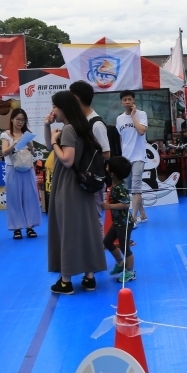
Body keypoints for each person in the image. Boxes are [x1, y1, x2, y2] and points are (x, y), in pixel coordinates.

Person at [48, 91, 106, 294]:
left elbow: (66, 159)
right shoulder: (82, 128)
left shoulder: (69, 130)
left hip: (68, 186)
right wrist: (49, 129)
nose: (53, 110)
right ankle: (89, 277)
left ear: (63, 108)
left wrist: (55, 141)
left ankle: (65, 281)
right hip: (84, 187)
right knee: (87, 229)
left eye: (55, 106)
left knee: (68, 231)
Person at [69, 81, 111, 224]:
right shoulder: (82, 121)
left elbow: (106, 153)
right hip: (84, 179)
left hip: (93, 179)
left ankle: (98, 246)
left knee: (94, 219)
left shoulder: (96, 124)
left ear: (75, 98)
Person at [0, 108, 42, 239]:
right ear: (12, 119)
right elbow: (4, 152)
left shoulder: (27, 134)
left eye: (23, 120)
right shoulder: (5, 135)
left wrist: (31, 148)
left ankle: (30, 226)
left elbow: (34, 154)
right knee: (14, 198)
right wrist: (14, 144)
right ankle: (16, 228)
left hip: (27, 168)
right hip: (12, 168)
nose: (20, 122)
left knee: (30, 197)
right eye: (18, 119)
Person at [115, 90, 149, 223]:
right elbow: (121, 138)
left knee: (136, 186)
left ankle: (133, 217)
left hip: (139, 156)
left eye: (130, 99)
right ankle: (143, 213)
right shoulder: (119, 119)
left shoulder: (142, 114)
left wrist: (134, 115)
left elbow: (141, 131)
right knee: (129, 187)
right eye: (125, 100)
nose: (127, 102)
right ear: (121, 102)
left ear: (134, 100)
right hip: (126, 157)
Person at [101, 156, 137, 283]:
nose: (106, 167)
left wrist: (109, 206)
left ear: (112, 172)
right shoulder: (114, 184)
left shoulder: (120, 187)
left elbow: (126, 204)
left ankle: (130, 272)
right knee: (107, 241)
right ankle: (120, 262)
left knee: (124, 247)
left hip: (124, 223)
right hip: (117, 222)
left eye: (108, 166)